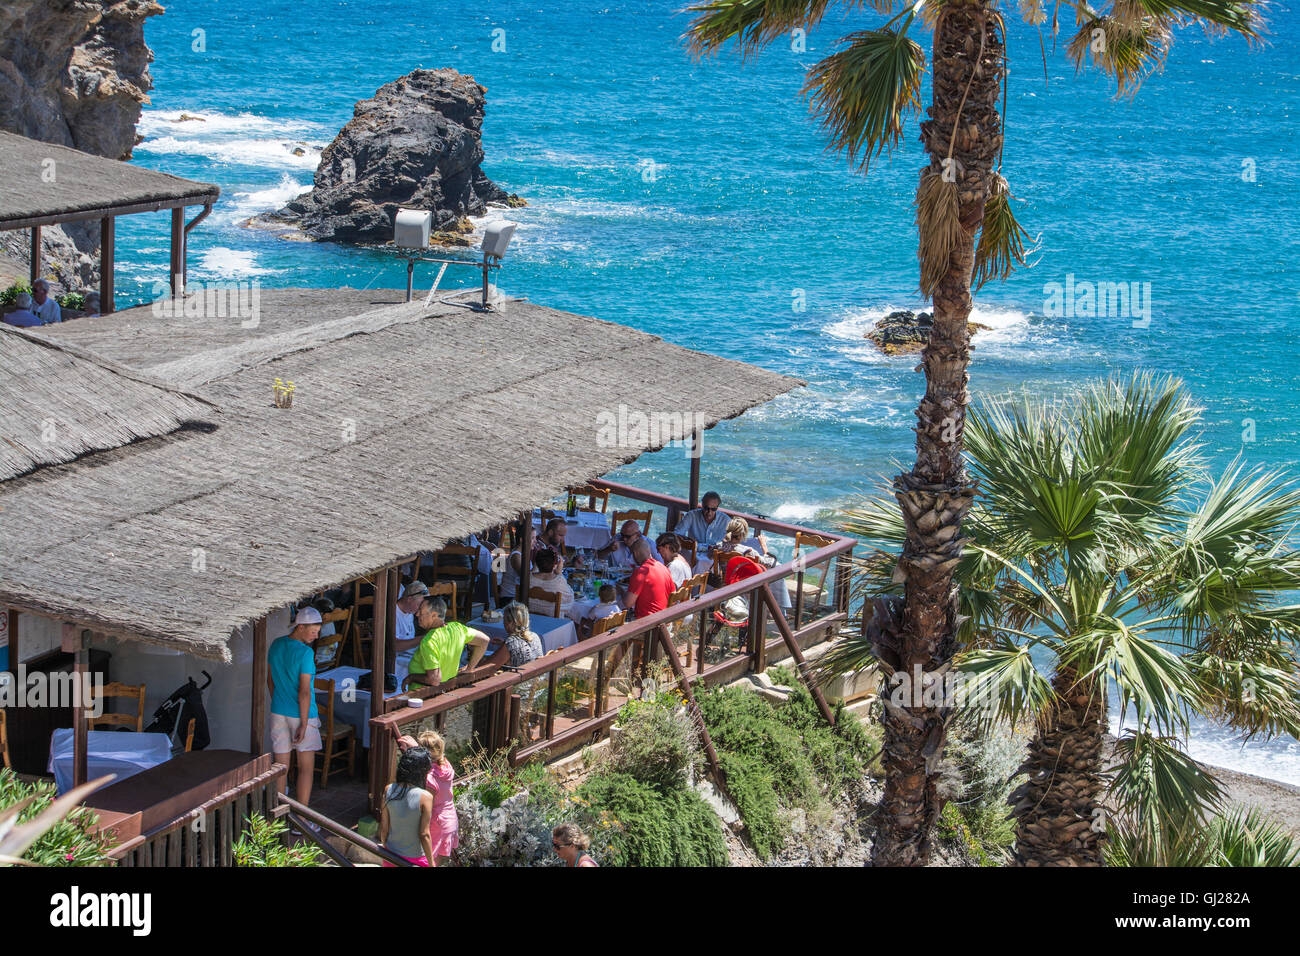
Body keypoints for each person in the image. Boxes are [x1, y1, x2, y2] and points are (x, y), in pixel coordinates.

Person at [266, 606, 323, 806]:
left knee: (281, 767)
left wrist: (279, 699)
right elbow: (305, 691)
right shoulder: (305, 653)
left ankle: (278, 821)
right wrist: (304, 722)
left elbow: (270, 680)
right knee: (305, 768)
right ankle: (303, 820)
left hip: (278, 711)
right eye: (313, 631)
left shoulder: (276, 644)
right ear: (300, 627)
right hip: (301, 714)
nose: (316, 636)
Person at [406, 597, 491, 687]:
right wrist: (469, 668)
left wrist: (412, 677)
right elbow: (484, 641)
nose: (417, 614)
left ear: (434, 615)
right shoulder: (457, 628)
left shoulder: (429, 641)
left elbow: (434, 680)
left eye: (421, 612)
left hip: (423, 696)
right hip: (446, 690)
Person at [379, 746, 434, 866]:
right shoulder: (426, 797)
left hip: (390, 855)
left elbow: (384, 827)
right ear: (422, 771)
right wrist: (431, 863)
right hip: (414, 859)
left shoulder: (388, 790)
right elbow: (424, 834)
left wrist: (385, 846)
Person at [623, 538, 674, 621]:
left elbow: (628, 603)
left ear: (635, 554)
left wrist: (621, 592)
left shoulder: (640, 572)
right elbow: (672, 595)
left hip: (647, 623)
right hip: (664, 619)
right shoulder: (664, 568)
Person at [597, 519, 663, 569]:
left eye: (628, 537)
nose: (624, 539)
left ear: (638, 535)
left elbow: (660, 566)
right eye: (622, 535)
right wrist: (609, 549)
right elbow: (597, 556)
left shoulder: (649, 544)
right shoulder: (617, 539)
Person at [529, 548, 574, 618]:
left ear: (536, 563)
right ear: (555, 565)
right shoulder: (559, 581)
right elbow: (569, 602)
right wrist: (559, 573)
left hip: (530, 620)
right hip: (552, 623)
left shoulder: (528, 578)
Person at [501, 601, 543, 666]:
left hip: (522, 675)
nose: (503, 623)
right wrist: (503, 644)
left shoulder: (511, 643)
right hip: (537, 674)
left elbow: (491, 665)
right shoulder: (535, 636)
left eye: (504, 619)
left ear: (510, 623)